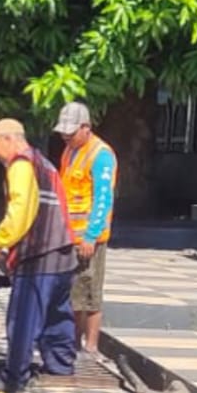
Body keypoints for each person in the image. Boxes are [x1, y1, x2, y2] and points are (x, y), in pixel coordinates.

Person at [0, 118, 77, 393]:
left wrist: (0, 239)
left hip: (40, 253)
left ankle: (14, 377)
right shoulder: (43, 162)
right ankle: (60, 364)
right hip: (63, 251)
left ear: (9, 139)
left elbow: (21, 208)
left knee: (24, 317)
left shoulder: (21, 164)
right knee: (57, 313)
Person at [55, 101, 118, 353]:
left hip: (89, 238)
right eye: (63, 133)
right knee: (74, 294)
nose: (66, 137)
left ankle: (90, 347)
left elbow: (103, 199)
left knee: (90, 294)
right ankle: (73, 342)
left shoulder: (101, 154)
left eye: (70, 133)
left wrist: (91, 236)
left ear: (86, 128)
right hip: (70, 233)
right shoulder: (70, 151)